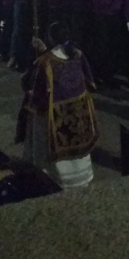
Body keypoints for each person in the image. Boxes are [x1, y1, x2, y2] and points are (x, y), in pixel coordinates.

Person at [22, 23, 100, 189]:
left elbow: (32, 87)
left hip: (55, 118)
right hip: (79, 113)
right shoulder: (78, 54)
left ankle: (55, 181)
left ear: (50, 38)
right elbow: (90, 82)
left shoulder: (45, 63)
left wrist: (36, 58)